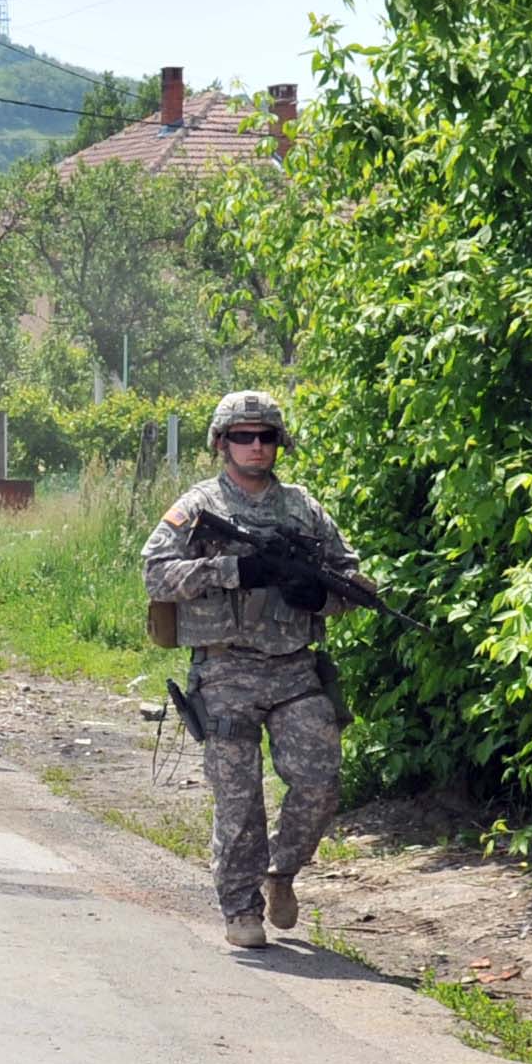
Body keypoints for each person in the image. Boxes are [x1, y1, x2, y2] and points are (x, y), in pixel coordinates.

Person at [139, 391, 362, 951]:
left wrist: (316, 593)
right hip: (225, 672)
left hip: (294, 670)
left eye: (265, 436)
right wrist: (233, 569)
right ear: (222, 443)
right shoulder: (196, 507)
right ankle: (240, 907)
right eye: (243, 436)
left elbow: (350, 579)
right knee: (239, 802)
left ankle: (282, 872)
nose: (256, 446)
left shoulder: (303, 509)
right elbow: (155, 575)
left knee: (320, 783)